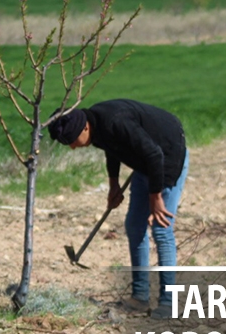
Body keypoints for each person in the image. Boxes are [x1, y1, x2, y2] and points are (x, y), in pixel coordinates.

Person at [47, 99, 189, 319]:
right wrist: (113, 184)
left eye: (73, 141)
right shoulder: (97, 125)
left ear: (84, 127)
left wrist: (156, 197)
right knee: (134, 225)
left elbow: (154, 154)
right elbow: (112, 148)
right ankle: (140, 296)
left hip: (168, 156)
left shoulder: (116, 121)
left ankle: (168, 302)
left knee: (161, 229)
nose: (73, 147)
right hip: (145, 162)